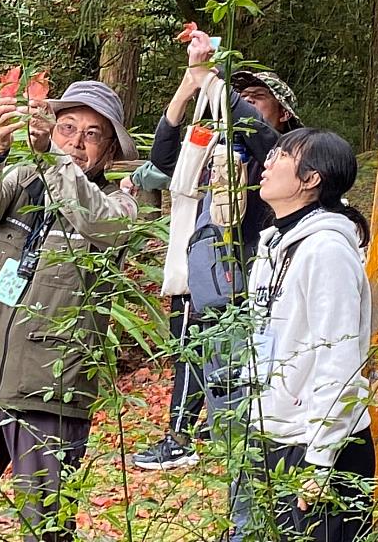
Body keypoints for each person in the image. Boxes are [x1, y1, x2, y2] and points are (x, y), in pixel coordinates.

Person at [0, 81, 138, 541]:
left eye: (92, 134)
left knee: (44, 528)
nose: (76, 141)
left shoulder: (121, 202)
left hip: (52, 389)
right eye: (67, 127)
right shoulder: (24, 177)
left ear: (110, 149)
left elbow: (98, 222)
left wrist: (52, 156)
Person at [131, 30, 304, 470]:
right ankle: (185, 432)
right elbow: (164, 157)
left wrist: (216, 84)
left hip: (245, 268)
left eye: (255, 96)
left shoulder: (285, 155)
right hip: (198, 263)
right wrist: (190, 84)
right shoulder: (215, 144)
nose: (243, 101)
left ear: (282, 112)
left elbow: (254, 127)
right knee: (187, 347)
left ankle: (226, 433)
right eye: (239, 93)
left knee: (236, 352)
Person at [244, 128, 374, 541]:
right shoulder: (272, 245)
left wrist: (320, 460)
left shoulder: (327, 251)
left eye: (281, 155)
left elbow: (339, 359)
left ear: (311, 178)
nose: (267, 162)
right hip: (277, 434)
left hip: (322, 447)